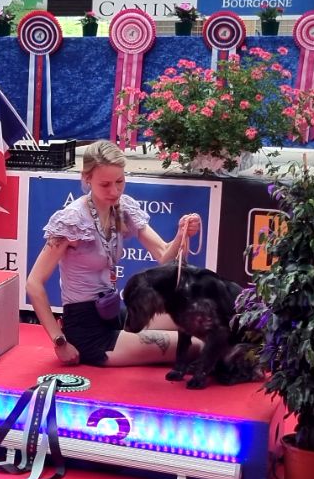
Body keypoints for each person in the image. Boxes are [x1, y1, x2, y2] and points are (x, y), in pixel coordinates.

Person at [26, 140, 202, 367]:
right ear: (87, 178)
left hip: (113, 313)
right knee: (196, 345)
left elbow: (163, 255)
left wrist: (181, 234)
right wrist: (59, 341)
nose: (114, 191)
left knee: (200, 320)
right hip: (87, 329)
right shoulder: (72, 220)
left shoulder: (122, 209)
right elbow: (33, 283)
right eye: (105, 184)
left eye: (120, 182)